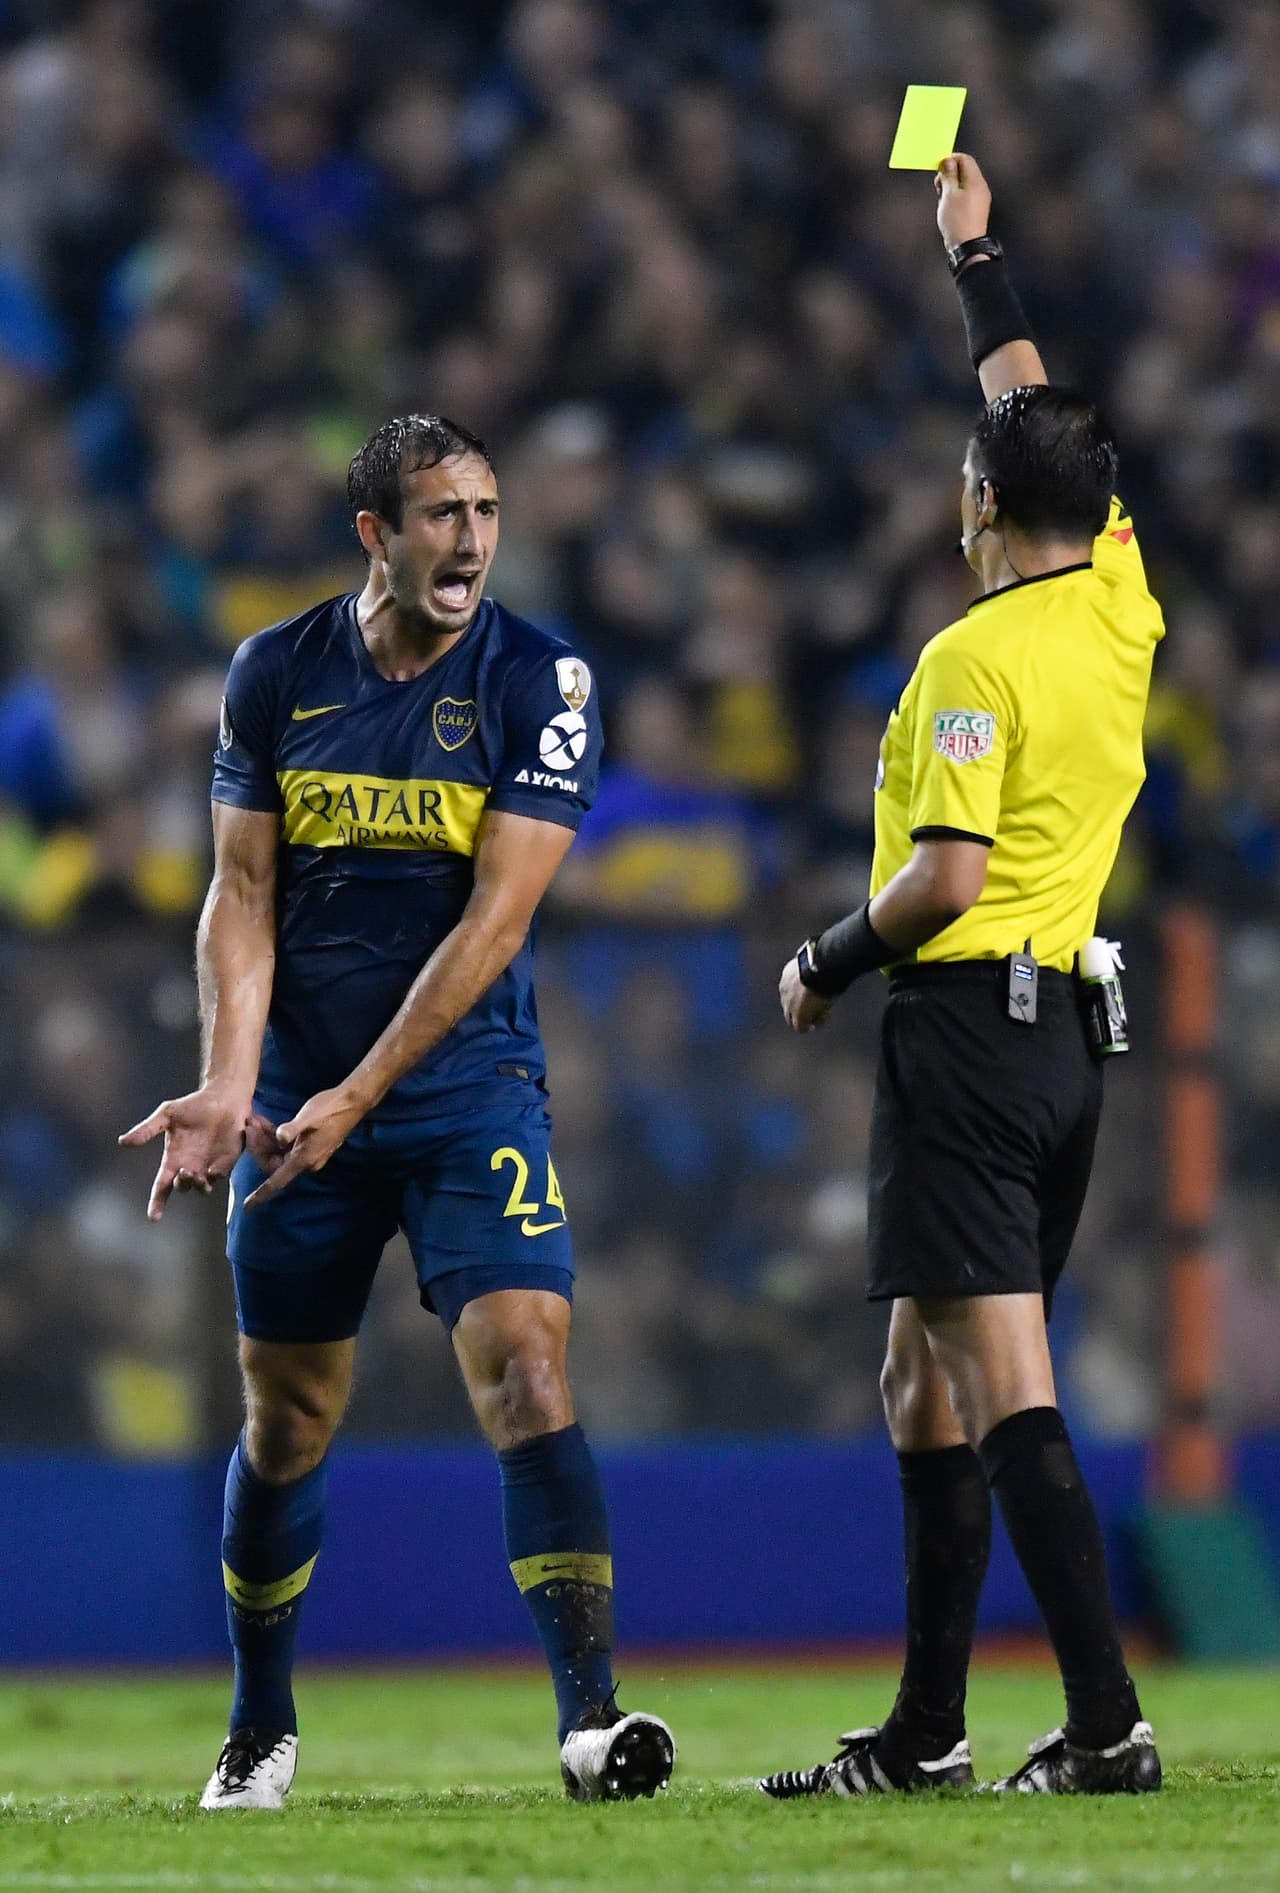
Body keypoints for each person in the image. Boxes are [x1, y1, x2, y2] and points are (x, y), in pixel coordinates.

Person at [120, 414, 675, 1810]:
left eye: (486, 512)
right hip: (293, 1103)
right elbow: (242, 893)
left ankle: (593, 1720)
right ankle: (258, 1727)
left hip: (464, 1090)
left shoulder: (540, 677)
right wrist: (230, 1081)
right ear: (375, 533)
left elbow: (498, 919)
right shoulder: (276, 671)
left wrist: (361, 1092)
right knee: (288, 1415)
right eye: (442, 515)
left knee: (528, 1362)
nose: (472, 541)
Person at [761, 156, 1164, 1799]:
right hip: (1063, 1038)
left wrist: (824, 959)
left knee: (1000, 1387)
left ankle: (1108, 1724)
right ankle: (927, 1731)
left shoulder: (968, 661)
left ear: (983, 506)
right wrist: (973, 253)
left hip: (969, 1039)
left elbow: (945, 879)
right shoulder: (1121, 605)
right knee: (923, 1374)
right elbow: (1030, 409)